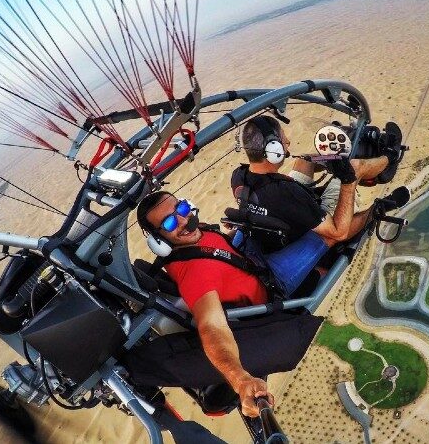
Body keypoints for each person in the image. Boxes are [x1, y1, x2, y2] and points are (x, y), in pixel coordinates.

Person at [136, 191, 273, 419]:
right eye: (169, 223)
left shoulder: (195, 234)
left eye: (181, 209)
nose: (183, 220)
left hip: (247, 263)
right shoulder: (195, 273)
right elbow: (211, 327)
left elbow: (217, 251)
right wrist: (240, 380)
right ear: (158, 241)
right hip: (272, 292)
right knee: (328, 238)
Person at [230, 115, 402, 296]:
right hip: (278, 263)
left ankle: (341, 159)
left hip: (265, 239)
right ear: (273, 149)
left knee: (303, 161)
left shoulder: (239, 176)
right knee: (354, 168)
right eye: (283, 139)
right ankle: (389, 159)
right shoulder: (287, 193)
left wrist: (332, 160)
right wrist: (347, 180)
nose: (287, 142)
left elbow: (277, 197)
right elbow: (338, 232)